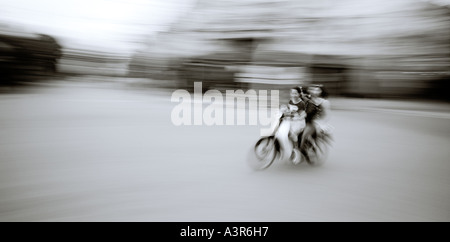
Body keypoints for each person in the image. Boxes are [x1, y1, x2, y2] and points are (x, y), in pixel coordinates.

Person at [300, 84, 331, 162]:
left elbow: (326, 115)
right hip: (307, 121)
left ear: (321, 91)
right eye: (313, 90)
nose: (315, 91)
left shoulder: (324, 102)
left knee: (304, 136)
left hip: (317, 123)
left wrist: (319, 123)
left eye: (317, 90)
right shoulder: (308, 99)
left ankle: (303, 151)